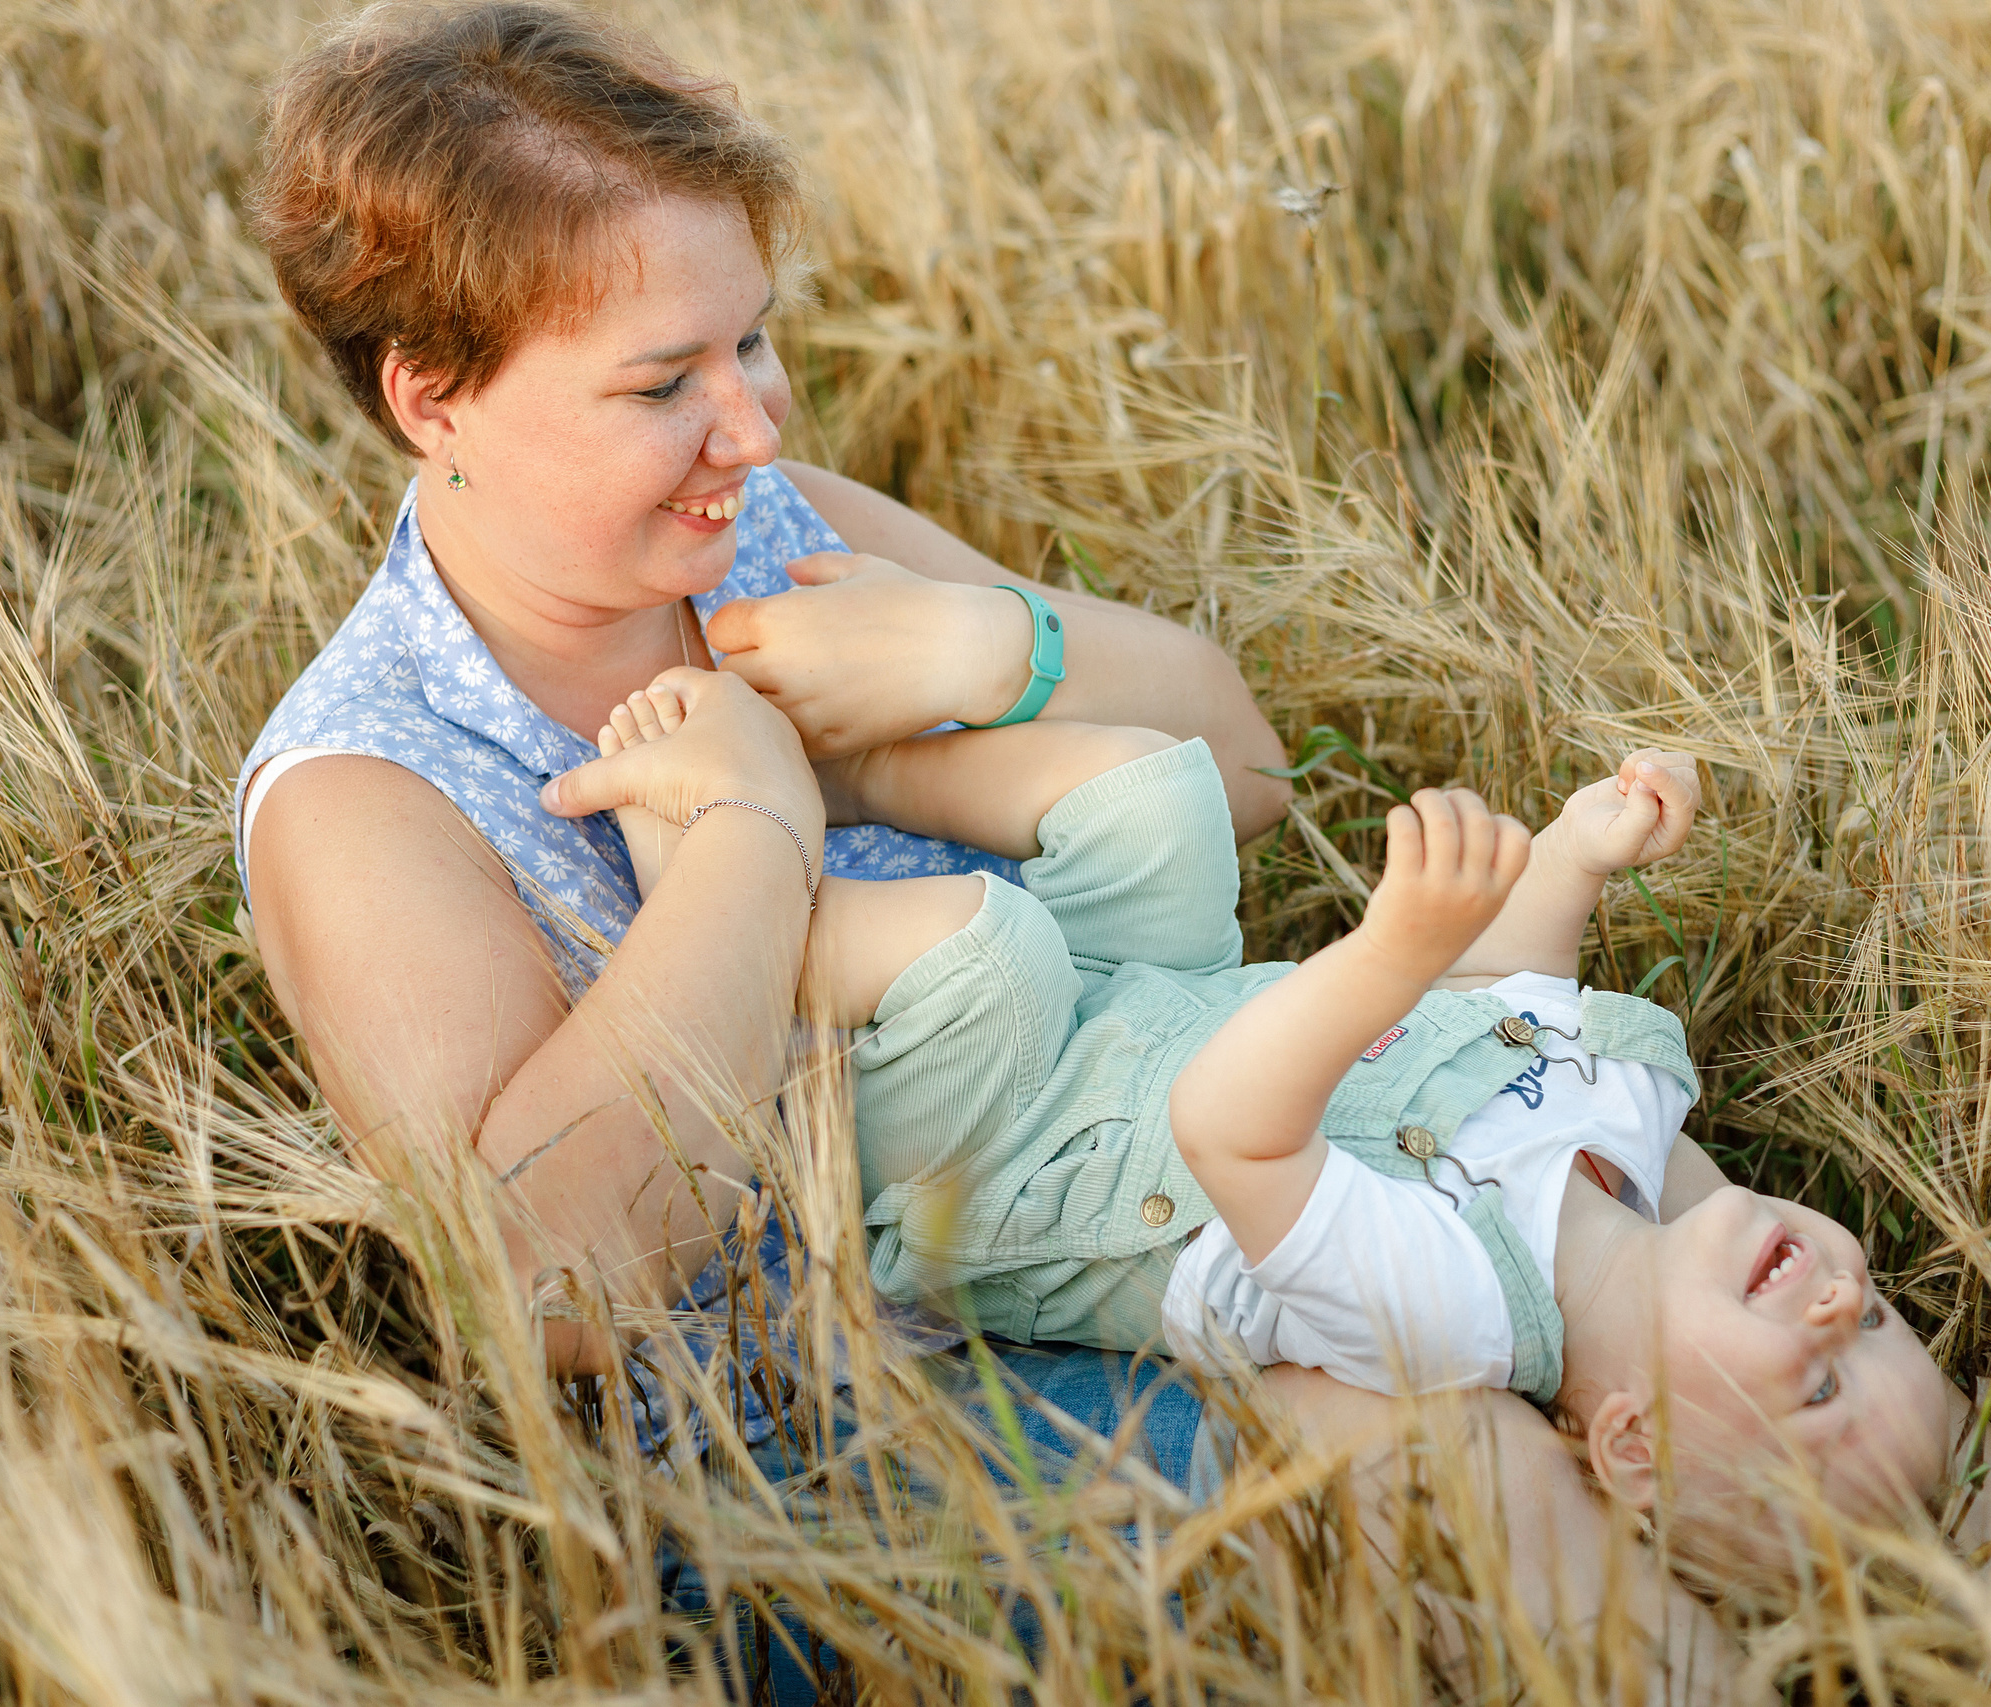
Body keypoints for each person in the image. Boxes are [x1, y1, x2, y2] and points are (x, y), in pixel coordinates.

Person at [235, 4, 1754, 1700]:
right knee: (1445, 1453)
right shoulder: (368, 789)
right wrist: (749, 840)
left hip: (1141, 1159)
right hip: (847, 1421)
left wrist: (989, 654)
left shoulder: (773, 537)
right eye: (667, 383)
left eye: (752, 342)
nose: (751, 422)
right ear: (430, 395)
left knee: (1688, 1224)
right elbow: (553, 1293)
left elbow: (1242, 764)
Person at [578, 698, 1979, 1574]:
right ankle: (850, 769)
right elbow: (1513, 1004)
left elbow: (1234, 1130)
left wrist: (1389, 952)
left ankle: (715, 876)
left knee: (982, 944)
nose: (1843, 1307)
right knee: (1159, 796)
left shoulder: (1454, 1315)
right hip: (1149, 1007)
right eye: (1880, 1332)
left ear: (1629, 1451)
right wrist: (1574, 854)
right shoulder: (1634, 1120)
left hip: (1009, 1152)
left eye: (1814, 1391)